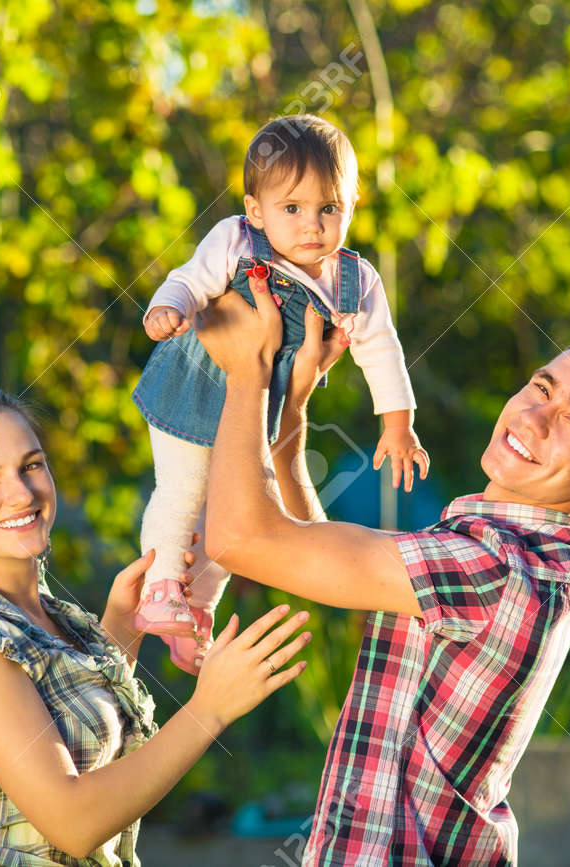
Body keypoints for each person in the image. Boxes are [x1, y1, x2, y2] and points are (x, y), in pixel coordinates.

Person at [192, 279, 570, 864]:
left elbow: (240, 540)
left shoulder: (492, 566)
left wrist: (246, 371)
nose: (534, 418)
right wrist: (292, 407)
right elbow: (321, 553)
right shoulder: (524, 558)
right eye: (541, 388)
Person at [0, 386, 313, 865]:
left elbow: (71, 735)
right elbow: (73, 824)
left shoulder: (40, 614)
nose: (22, 493)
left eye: (31, 465)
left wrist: (121, 631)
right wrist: (208, 709)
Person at [131, 113, 430, 675]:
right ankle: (161, 586)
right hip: (191, 388)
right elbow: (190, 279)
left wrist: (397, 424)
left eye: (328, 208)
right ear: (255, 211)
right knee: (183, 490)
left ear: (351, 206)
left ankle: (196, 610)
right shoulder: (234, 240)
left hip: (257, 413)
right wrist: (167, 307)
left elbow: (382, 352)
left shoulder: (356, 281)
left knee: (231, 518)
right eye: (291, 209)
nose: (311, 225)